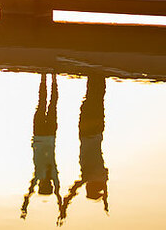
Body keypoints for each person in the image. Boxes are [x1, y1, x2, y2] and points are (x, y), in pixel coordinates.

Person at [58, 75, 109, 225]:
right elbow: (73, 190)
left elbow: (105, 187)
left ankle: (98, 76)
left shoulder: (101, 176)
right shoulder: (89, 176)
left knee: (98, 99)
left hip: (97, 130)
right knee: (90, 100)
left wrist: (106, 201)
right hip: (87, 132)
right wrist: (65, 205)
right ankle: (94, 75)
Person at [20, 74, 62, 219]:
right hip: (42, 135)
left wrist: (25, 206)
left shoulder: (46, 175)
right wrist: (60, 208)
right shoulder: (46, 175)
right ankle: (48, 77)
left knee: (48, 103)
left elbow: (56, 191)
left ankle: (49, 77)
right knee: (45, 103)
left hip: (45, 134)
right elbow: (57, 192)